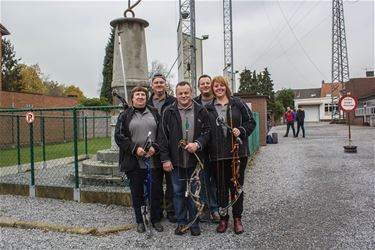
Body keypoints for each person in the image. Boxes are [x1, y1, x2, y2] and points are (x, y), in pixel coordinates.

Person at [205, 76, 256, 234]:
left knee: (236, 186)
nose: (218, 88)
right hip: (217, 155)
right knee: (220, 188)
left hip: (237, 154)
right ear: (212, 89)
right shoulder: (208, 108)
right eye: (216, 86)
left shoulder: (237, 103)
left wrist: (241, 130)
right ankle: (223, 218)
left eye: (221, 86)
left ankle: (237, 218)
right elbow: (205, 130)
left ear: (226, 87)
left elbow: (251, 122)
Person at [158, 81, 210, 236]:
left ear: (191, 92)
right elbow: (162, 137)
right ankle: (181, 222)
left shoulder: (201, 111)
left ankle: (194, 223)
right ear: (176, 93)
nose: (183, 96)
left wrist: (198, 144)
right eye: (180, 93)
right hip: (176, 162)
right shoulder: (169, 112)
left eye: (186, 93)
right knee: (178, 192)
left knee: (194, 193)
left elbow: (208, 133)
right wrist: (165, 159)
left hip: (196, 162)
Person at [115, 86, 164, 233]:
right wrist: (135, 148)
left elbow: (162, 134)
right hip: (134, 162)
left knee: (156, 191)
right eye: (138, 95)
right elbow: (119, 136)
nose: (141, 97)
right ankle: (140, 220)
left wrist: (155, 147)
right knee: (137, 192)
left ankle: (155, 219)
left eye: (143, 94)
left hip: (153, 160)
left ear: (146, 97)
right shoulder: (125, 115)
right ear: (132, 98)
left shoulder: (154, 113)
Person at [147, 73, 177, 223]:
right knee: (156, 184)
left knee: (172, 183)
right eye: (156, 83)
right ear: (152, 85)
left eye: (161, 82)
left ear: (166, 85)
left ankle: (171, 210)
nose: (159, 85)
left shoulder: (173, 102)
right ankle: (157, 212)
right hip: (152, 149)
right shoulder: (146, 103)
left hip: (169, 148)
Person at [193, 74, 220, 223]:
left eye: (207, 83)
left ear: (211, 85)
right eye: (202, 83)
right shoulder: (194, 103)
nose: (204, 85)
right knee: (202, 180)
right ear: (198, 86)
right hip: (201, 148)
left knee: (215, 181)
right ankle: (206, 208)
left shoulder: (219, 101)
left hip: (217, 147)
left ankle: (215, 208)